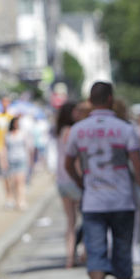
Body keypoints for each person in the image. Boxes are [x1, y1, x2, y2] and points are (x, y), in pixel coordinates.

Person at [64, 82, 140, 279]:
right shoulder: (124, 128)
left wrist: (81, 182)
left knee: (95, 254)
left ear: (90, 101)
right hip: (122, 199)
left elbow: (68, 163)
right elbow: (137, 164)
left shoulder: (78, 130)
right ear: (111, 99)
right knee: (122, 253)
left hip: (93, 201)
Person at [55, 102, 83, 268]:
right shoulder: (72, 132)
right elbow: (75, 158)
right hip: (74, 180)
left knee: (70, 222)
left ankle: (70, 258)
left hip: (61, 180)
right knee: (86, 219)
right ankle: (85, 253)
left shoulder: (59, 131)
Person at [1, 116, 29, 210]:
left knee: (20, 181)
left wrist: (29, 160)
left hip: (21, 159)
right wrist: (3, 160)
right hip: (11, 160)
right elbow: (5, 148)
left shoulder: (22, 134)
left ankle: (22, 201)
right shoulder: (8, 135)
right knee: (13, 182)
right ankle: (14, 199)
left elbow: (27, 147)